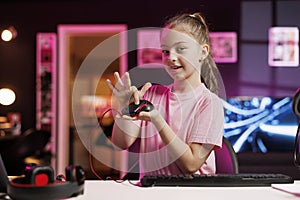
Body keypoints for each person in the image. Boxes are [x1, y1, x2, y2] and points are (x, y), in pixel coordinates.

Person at [106, 12, 224, 178]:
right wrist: (122, 108)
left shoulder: (210, 103)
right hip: (152, 191)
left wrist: (158, 120)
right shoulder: (152, 94)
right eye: (166, 51)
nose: (171, 58)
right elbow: (121, 143)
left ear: (202, 52)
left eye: (181, 49)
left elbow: (191, 164)